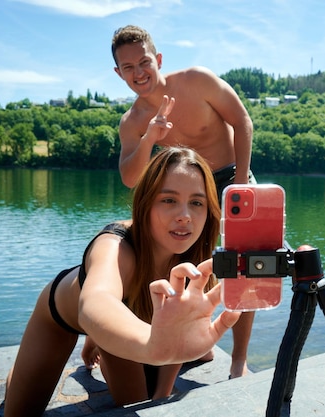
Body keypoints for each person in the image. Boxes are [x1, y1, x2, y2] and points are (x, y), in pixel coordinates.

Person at [4, 147, 241, 417]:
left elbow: (177, 335)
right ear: (145, 203)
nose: (184, 215)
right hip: (62, 315)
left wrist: (161, 397)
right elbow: (97, 303)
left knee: (152, 398)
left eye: (197, 203)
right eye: (168, 200)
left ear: (209, 210)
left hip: (131, 323)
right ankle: (20, 373)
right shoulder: (114, 245)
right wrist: (153, 347)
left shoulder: (196, 259)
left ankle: (97, 339)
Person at [111, 25, 257, 378]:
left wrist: (239, 185)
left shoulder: (197, 80)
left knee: (247, 267)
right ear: (118, 73)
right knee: (185, 267)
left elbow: (242, 121)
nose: (139, 73)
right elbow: (131, 177)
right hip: (186, 193)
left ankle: (238, 359)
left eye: (144, 62)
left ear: (158, 59)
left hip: (229, 177)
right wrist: (150, 137)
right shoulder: (132, 122)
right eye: (128, 68)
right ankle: (194, 343)